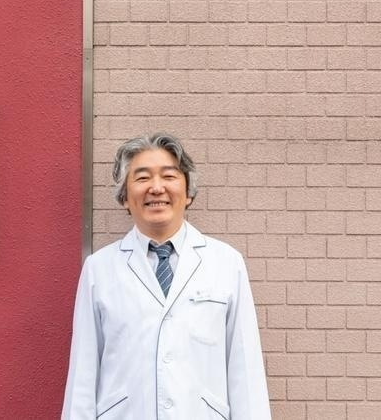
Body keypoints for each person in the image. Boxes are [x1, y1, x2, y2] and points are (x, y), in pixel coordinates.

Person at [62, 132, 270, 419]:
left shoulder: (226, 263)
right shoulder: (99, 268)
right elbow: (83, 375)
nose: (156, 188)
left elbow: (245, 372)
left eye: (169, 176)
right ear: (125, 197)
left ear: (188, 193)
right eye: (142, 178)